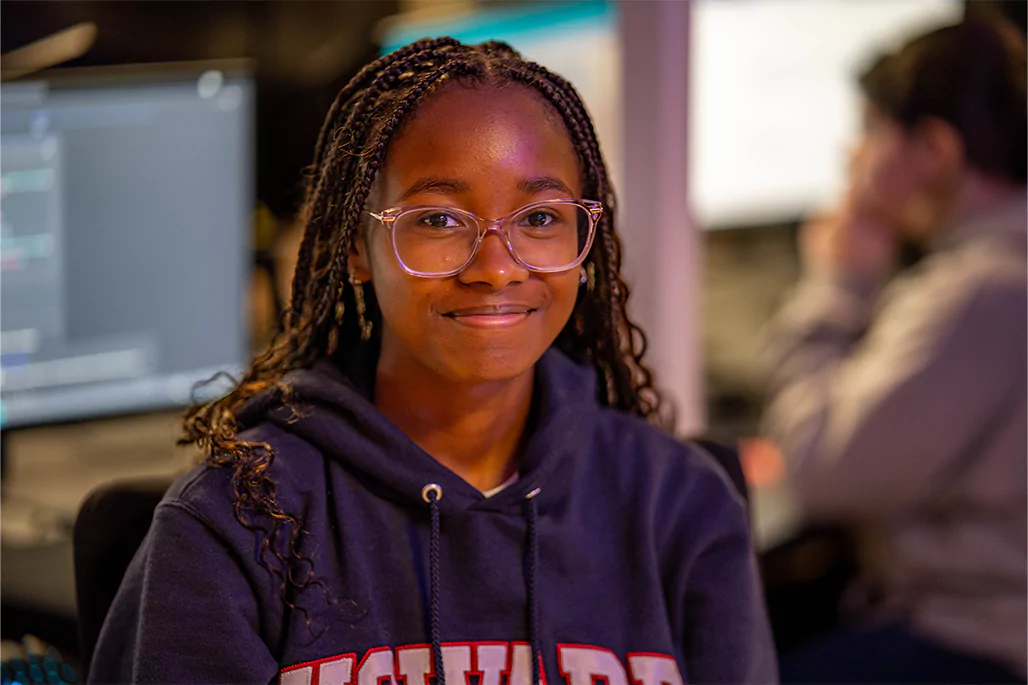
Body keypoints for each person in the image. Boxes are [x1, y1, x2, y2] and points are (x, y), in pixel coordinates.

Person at [89, 38, 776, 684]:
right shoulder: (237, 515)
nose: (496, 268)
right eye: (438, 220)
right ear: (356, 246)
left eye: (540, 218)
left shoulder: (678, 504)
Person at [762, 17, 1027, 684]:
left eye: (870, 131)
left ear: (934, 148)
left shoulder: (978, 291)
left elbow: (821, 470)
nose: (854, 160)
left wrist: (838, 281)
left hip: (979, 643)